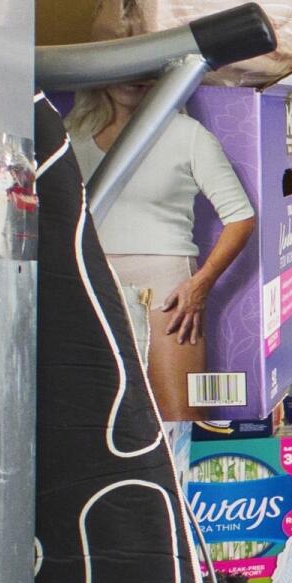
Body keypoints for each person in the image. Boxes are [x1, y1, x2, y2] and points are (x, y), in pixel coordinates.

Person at [64, 82, 257, 432]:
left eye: (146, 69)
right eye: (125, 68)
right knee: (93, 420)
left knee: (177, 418)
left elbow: (240, 218)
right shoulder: (71, 134)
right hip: (90, 283)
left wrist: (201, 285)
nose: (133, 79)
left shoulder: (188, 135)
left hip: (166, 289)